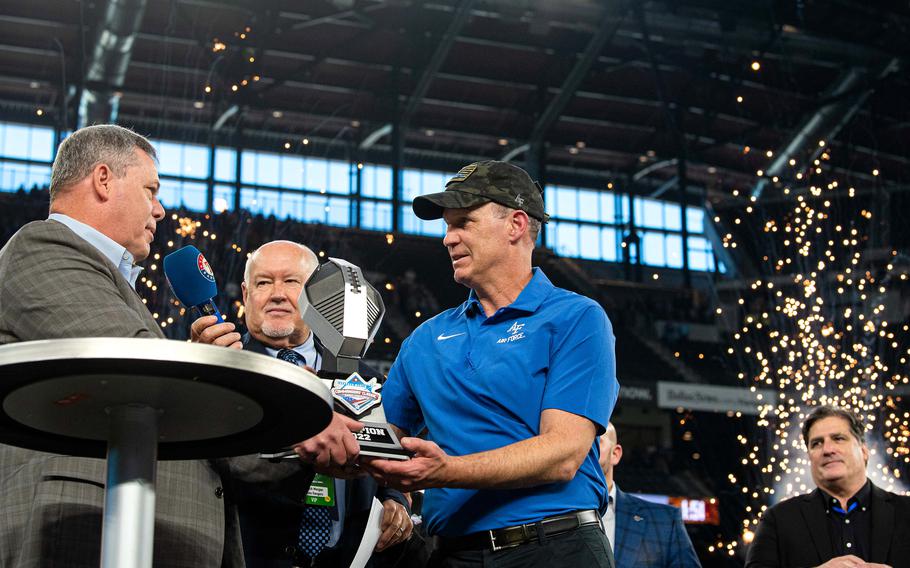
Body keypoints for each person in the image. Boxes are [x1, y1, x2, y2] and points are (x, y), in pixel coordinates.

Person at [0, 124, 247, 566]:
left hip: (134, 531)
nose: (161, 209)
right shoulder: (44, 246)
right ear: (103, 179)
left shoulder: (112, 281)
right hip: (84, 531)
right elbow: (129, 368)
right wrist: (203, 369)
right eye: (151, 189)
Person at [363, 160, 619, 567]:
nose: (449, 238)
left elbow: (563, 453)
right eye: (447, 226)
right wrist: (323, 421)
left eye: (463, 222)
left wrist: (447, 470)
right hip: (450, 554)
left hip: (556, 548)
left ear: (516, 225)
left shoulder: (577, 319)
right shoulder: (424, 340)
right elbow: (381, 442)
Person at [191, 240, 419, 567]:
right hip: (249, 555)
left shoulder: (368, 380)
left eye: (291, 281)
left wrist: (394, 499)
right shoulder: (223, 368)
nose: (277, 294)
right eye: (263, 282)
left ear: (317, 294)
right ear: (245, 295)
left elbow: (387, 459)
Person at [745, 405, 910, 568]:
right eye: (816, 443)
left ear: (864, 451)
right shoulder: (777, 519)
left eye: (838, 438)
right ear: (809, 456)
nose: (827, 449)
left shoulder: (906, 511)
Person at [598, 423, 700, 568]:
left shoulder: (665, 521)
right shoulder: (555, 513)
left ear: (615, 454)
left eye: (596, 441)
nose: (586, 449)